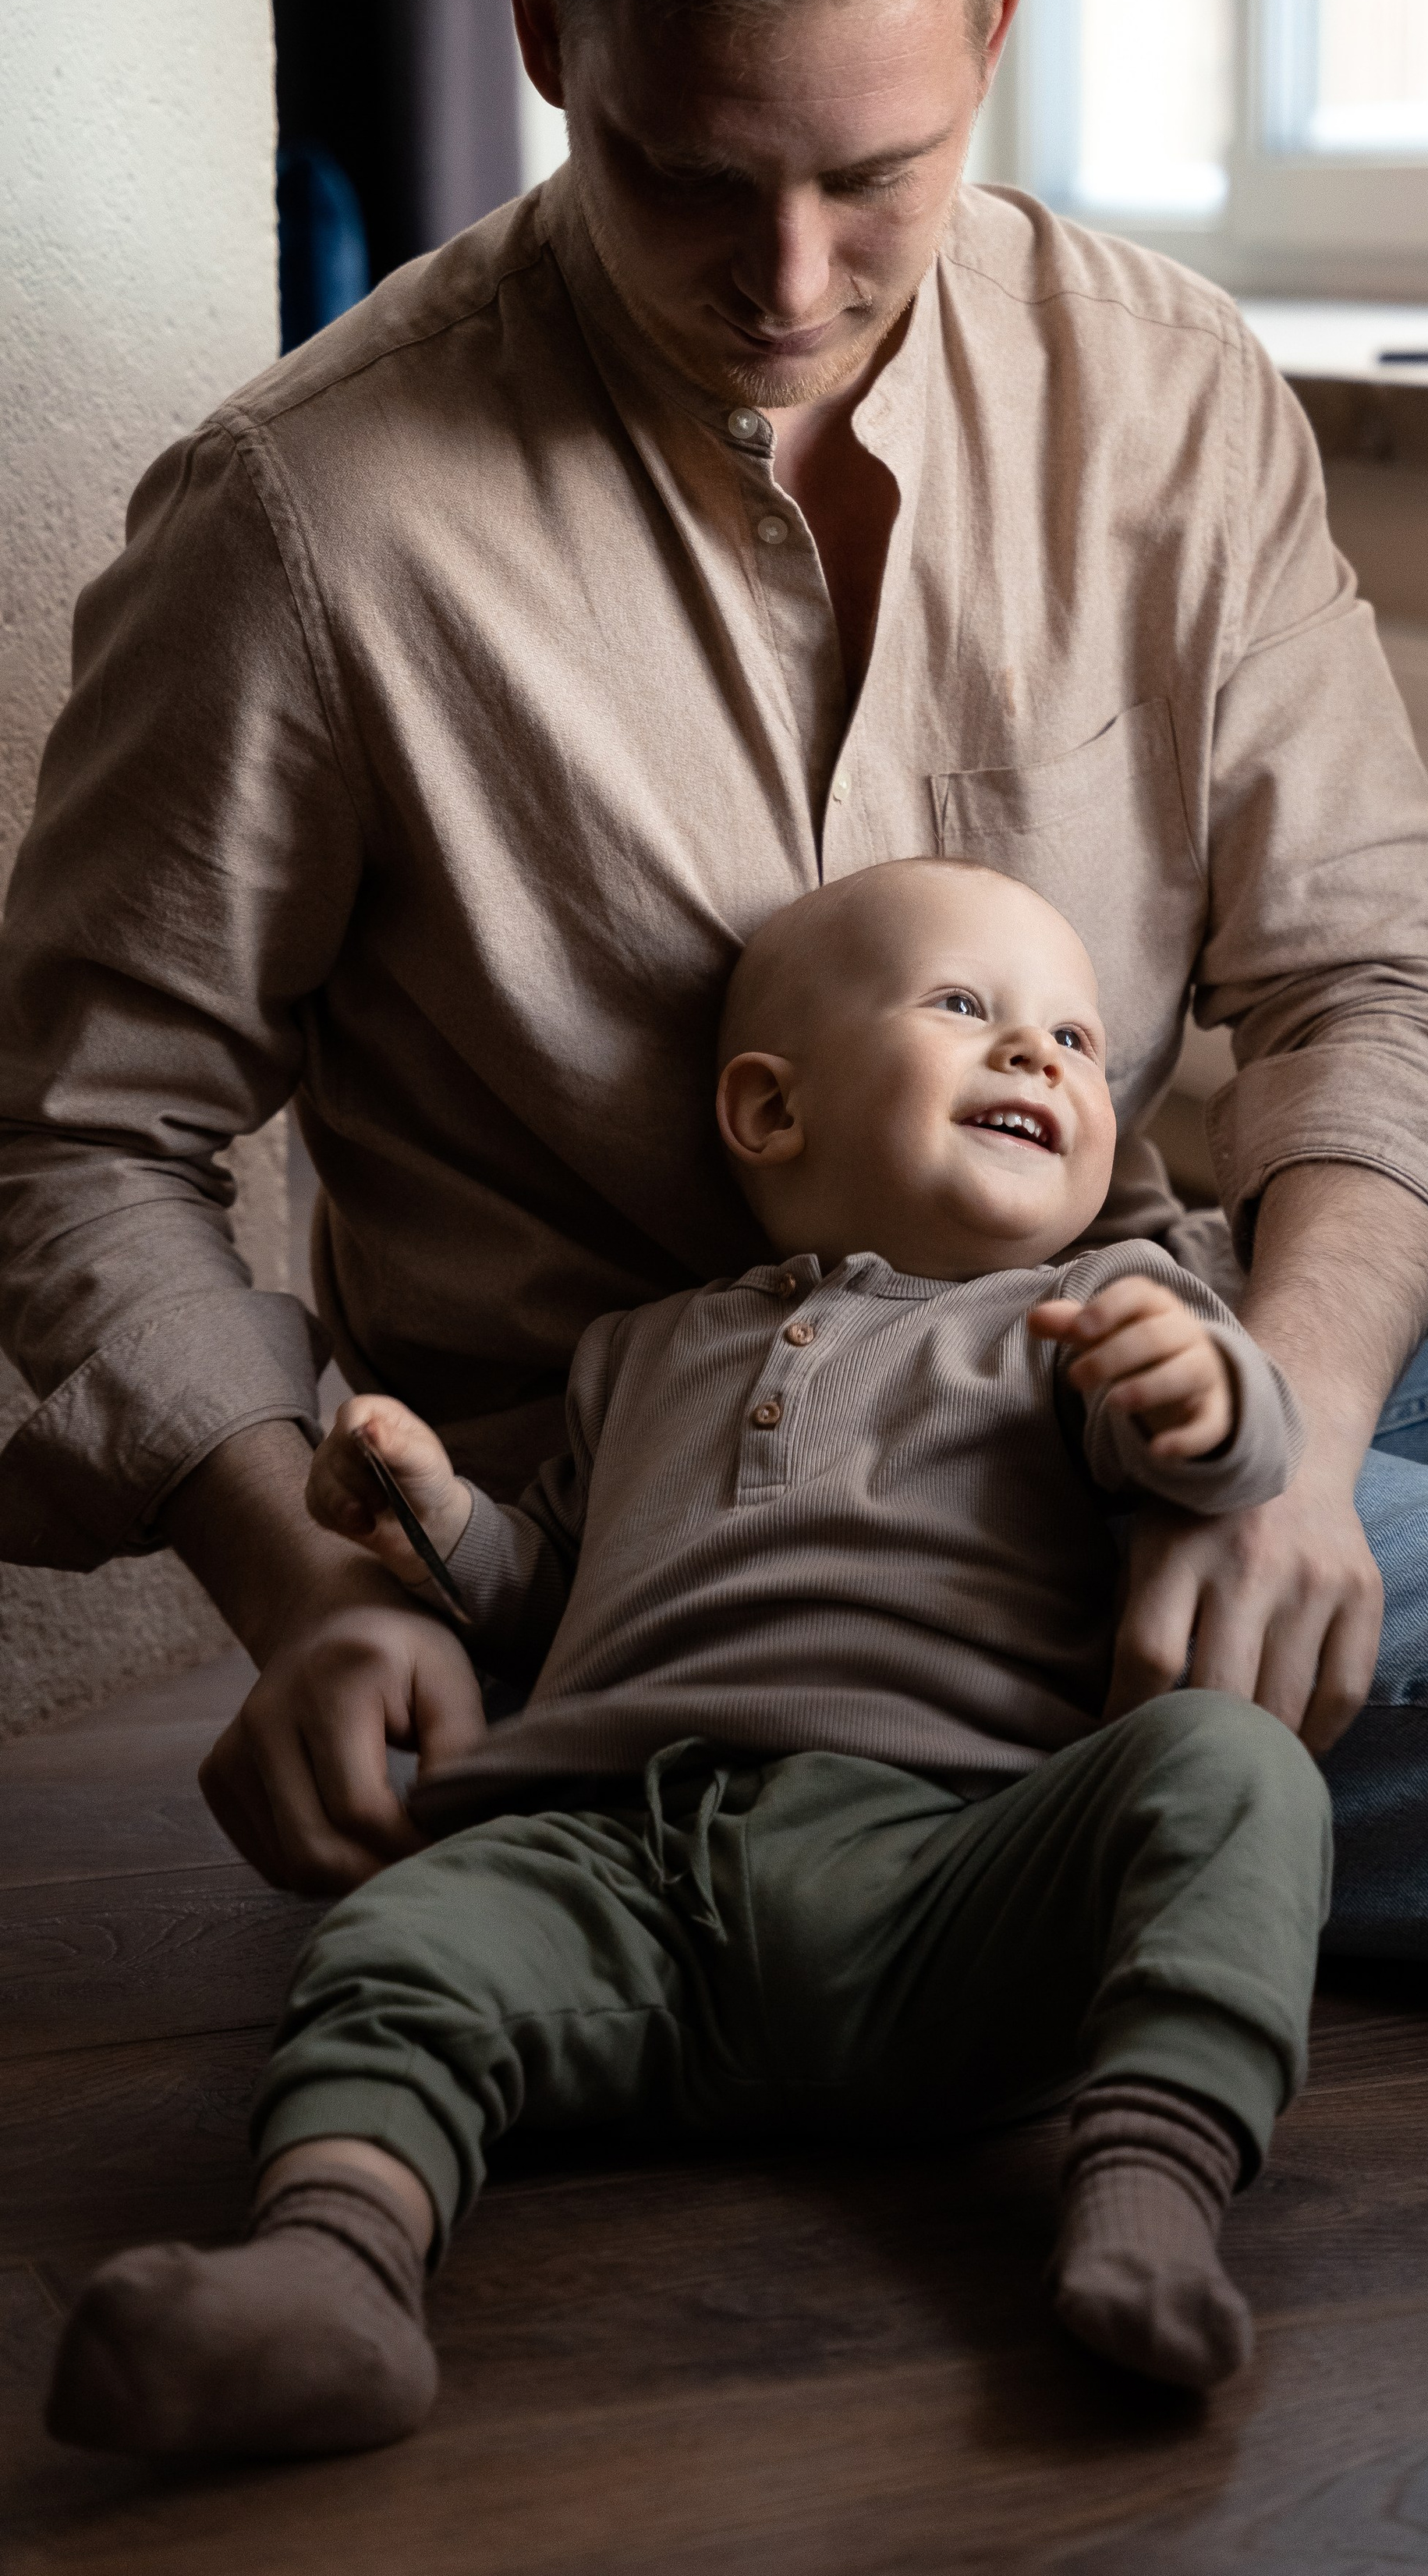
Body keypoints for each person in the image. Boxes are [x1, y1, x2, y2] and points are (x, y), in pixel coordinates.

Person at [1, 0, 1428, 2060]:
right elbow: (89, 1139)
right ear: (542, 26)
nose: (789, 281)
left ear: (1000, 28)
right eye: (685, 173)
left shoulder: (1167, 390)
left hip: (1162, 1368)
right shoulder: (301, 522)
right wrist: (313, 1590)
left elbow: (1364, 983)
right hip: (746, 1586)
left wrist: (1291, 1448)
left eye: (877, 176)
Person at [46, 862, 1331, 2459]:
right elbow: (543, 1593)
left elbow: (1229, 1460)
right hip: (622, 1872)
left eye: (1076, 1037)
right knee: (403, 1936)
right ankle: (335, 2268)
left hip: (943, 1875)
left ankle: (1149, 2194)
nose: (1039, 1054)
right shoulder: (633, 1354)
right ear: (769, 1111)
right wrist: (431, 1516)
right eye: (964, 1006)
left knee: (1232, 1766)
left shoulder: (1086, 1312)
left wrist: (1204, 1391)